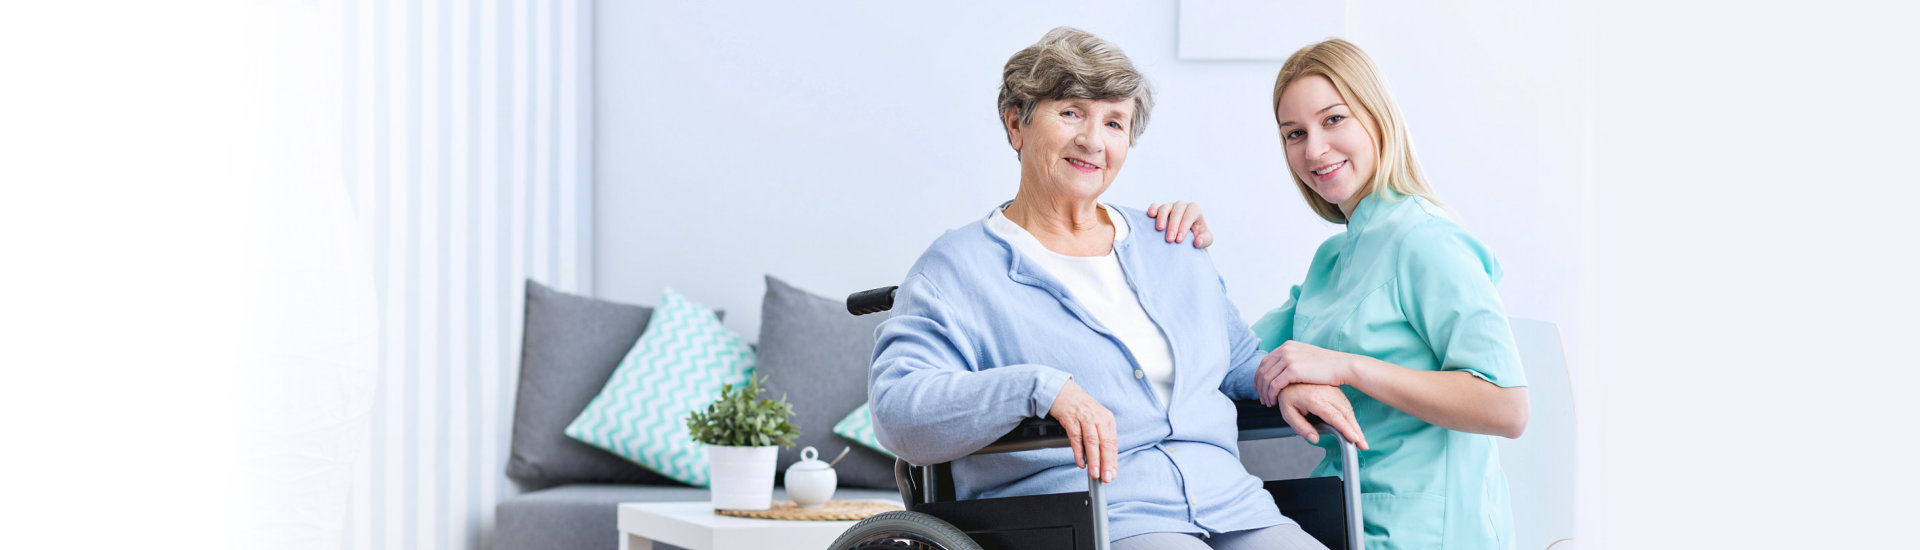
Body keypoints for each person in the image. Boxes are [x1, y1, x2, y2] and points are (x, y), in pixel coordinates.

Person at [868, 27, 1334, 550]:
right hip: (1090, 519)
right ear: (1015, 122)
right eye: (1071, 112)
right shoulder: (956, 269)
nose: (1093, 140)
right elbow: (897, 408)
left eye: (1114, 122)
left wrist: (1284, 382)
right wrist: (1040, 389)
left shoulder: (1171, 244)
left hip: (1233, 505)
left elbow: (1235, 359)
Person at [1248, 38, 1531, 549]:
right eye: (1295, 133)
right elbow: (1237, 356)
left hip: (1429, 532)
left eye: (1333, 120)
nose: (1313, 149)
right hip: (1343, 517)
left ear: (1376, 118)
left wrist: (1348, 367)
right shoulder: (1332, 261)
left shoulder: (1427, 240)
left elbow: (1506, 407)